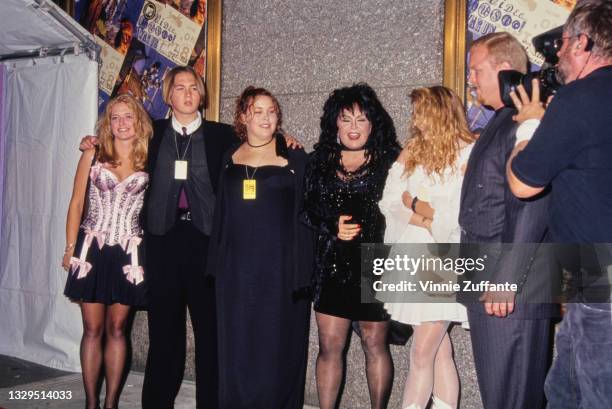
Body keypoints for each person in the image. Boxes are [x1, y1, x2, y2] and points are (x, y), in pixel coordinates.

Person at [506, 2, 612, 407]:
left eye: (563, 43)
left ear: (583, 43)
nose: (558, 55)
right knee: (563, 391)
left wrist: (532, 122)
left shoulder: (578, 99)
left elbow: (522, 184)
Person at [458, 32, 556, 409]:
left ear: (503, 70)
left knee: (511, 398)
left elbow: (533, 205)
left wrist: (508, 276)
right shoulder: (504, 120)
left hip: (510, 284)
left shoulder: (527, 121)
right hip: (491, 277)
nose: (471, 80)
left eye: (475, 70)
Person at [206, 86, 313, 408]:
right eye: (258, 111)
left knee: (276, 344)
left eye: (271, 111)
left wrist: (303, 269)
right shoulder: (229, 155)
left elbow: (308, 214)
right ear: (243, 117)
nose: (266, 118)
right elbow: (221, 213)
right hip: (235, 269)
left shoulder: (294, 157)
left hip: (280, 268)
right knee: (237, 342)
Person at [302, 83, 400, 409]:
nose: (354, 128)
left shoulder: (392, 161)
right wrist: (331, 225)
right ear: (335, 123)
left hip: (377, 264)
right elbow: (306, 209)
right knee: (329, 345)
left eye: (361, 119)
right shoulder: (319, 161)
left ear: (374, 123)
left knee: (375, 343)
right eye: (346, 119)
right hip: (332, 263)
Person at [378, 86, 475, 409]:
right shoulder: (415, 150)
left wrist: (419, 207)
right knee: (439, 350)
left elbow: (461, 213)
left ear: (438, 112)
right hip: (415, 255)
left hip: (444, 260)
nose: (415, 119)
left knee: (422, 351)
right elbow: (391, 201)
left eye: (420, 111)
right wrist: (422, 215)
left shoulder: (468, 151)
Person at [63, 93, 152, 409]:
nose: (122, 123)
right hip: (92, 250)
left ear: (138, 120)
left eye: (128, 116)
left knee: (117, 329)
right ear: (107, 123)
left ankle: (111, 403)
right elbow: (76, 203)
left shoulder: (149, 157)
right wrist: (70, 247)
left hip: (129, 252)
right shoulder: (93, 154)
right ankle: (91, 402)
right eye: (115, 117)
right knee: (93, 328)